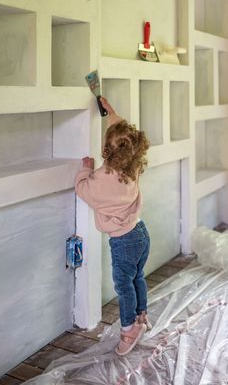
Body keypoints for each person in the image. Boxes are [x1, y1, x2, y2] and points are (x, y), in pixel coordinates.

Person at [75, 97, 151, 356]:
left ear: (106, 151)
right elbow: (126, 138)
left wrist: (85, 169)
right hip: (141, 233)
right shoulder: (134, 164)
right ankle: (141, 317)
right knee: (137, 277)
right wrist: (113, 114)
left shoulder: (101, 180)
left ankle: (129, 330)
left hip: (123, 240)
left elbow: (82, 189)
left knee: (123, 285)